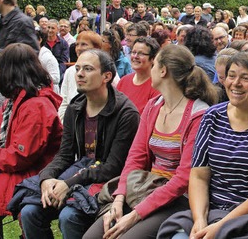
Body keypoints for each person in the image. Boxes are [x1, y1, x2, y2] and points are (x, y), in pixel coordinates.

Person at [159, 50, 248, 239]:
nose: (235, 83)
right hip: (216, 210)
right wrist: (200, 221)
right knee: (177, 236)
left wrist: (222, 225)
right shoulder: (213, 116)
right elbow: (199, 176)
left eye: (245, 78)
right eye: (231, 76)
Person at [84, 45, 219, 239]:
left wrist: (135, 214)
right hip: (145, 188)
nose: (151, 69)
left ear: (163, 71)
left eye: (154, 64)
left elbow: (183, 179)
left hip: (179, 198)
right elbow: (135, 157)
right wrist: (119, 198)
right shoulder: (154, 106)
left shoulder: (198, 115)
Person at [17, 50, 139, 239]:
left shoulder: (125, 113)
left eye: (88, 69)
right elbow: (65, 154)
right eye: (78, 68)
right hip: (81, 171)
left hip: (109, 180)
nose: (80, 74)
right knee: (30, 211)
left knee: (69, 216)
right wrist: (47, 178)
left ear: (106, 76)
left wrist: (68, 184)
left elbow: (113, 167)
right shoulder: (76, 108)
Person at [0, 43, 63, 238]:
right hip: (2, 164)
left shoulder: (36, 106)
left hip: (28, 173)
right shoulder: (12, 101)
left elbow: (20, 157)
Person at [117, 37, 161, 114]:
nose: (135, 56)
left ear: (152, 59)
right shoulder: (123, 81)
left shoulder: (156, 86)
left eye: (141, 54)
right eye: (133, 52)